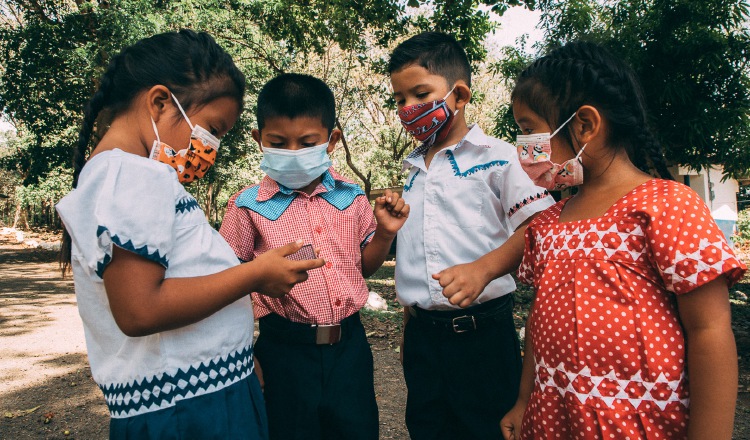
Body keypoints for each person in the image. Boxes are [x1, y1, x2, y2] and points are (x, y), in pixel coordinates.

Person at [56, 30, 324, 440]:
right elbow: (139, 310)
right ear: (160, 102)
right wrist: (255, 275)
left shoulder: (122, 175)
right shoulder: (132, 174)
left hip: (198, 395)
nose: (211, 148)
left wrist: (233, 355)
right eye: (212, 128)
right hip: (188, 413)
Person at [497, 41, 746, 439]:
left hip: (638, 425)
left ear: (584, 125)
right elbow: (539, 322)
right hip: (554, 420)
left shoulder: (668, 206)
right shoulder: (548, 222)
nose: (523, 147)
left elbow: (710, 330)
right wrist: (526, 399)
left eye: (529, 130)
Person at [219, 73, 409, 440]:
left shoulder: (352, 198)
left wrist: (384, 233)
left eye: (306, 143)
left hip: (350, 350)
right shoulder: (245, 207)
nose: (292, 152)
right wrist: (244, 356)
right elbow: (227, 284)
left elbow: (363, 267)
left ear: (331, 140)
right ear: (259, 140)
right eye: (278, 142)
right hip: (282, 352)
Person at [387, 32, 555, 439]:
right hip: (423, 340)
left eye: (420, 93)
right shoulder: (413, 173)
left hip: (482, 339)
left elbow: (542, 224)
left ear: (459, 95)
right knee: (426, 428)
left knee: (486, 429)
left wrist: (486, 268)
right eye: (399, 98)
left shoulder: (501, 158)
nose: (408, 108)